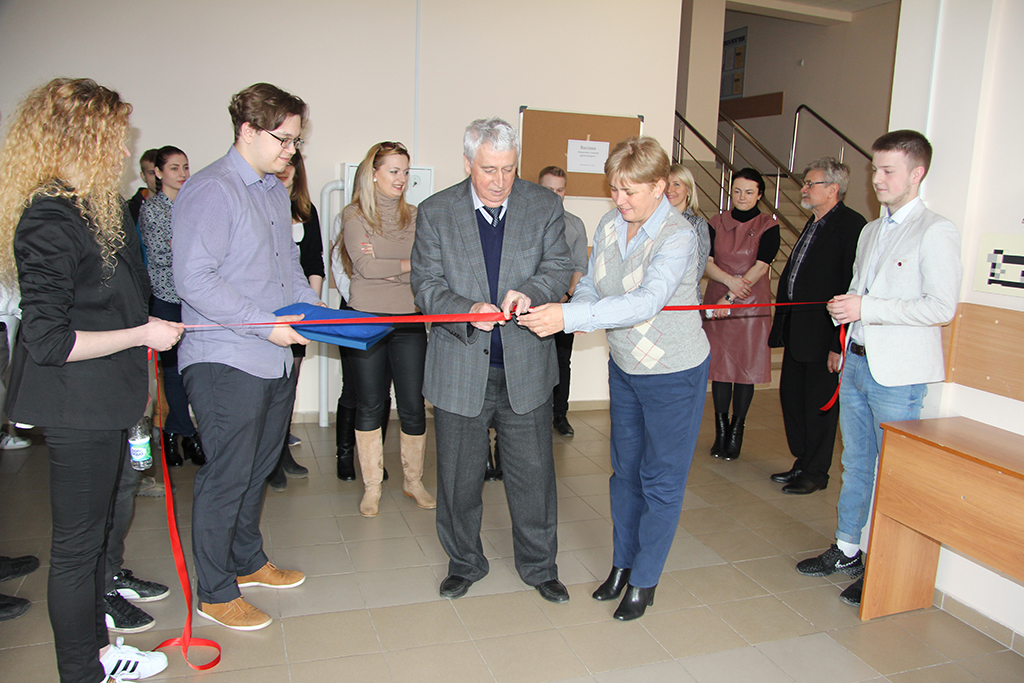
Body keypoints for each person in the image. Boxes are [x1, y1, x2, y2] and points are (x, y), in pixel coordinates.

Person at [0, 77, 176, 683]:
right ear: (79, 138)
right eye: (115, 139)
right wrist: (141, 333)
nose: (125, 151)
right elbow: (48, 341)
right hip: (77, 406)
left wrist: (144, 328)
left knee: (97, 537)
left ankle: (98, 651)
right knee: (77, 550)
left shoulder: (91, 208)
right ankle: (82, 669)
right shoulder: (48, 218)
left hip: (106, 399)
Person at [521, 137, 710, 621]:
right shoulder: (610, 224)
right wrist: (577, 306)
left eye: (629, 191)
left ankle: (645, 580)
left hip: (673, 373)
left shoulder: (678, 235)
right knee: (624, 474)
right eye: (614, 189)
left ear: (660, 187)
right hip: (626, 367)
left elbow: (647, 301)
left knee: (660, 480)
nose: (618, 200)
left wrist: (570, 318)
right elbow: (591, 281)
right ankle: (622, 565)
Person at [172, 82, 322, 631]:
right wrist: (267, 324)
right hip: (225, 358)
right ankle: (214, 593)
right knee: (227, 476)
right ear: (248, 131)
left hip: (272, 356)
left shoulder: (272, 192)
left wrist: (317, 311)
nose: (291, 151)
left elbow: (286, 272)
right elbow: (194, 279)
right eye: (284, 140)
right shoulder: (212, 189)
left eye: (296, 141)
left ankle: (247, 560)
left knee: (257, 468)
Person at [797, 130, 962, 607]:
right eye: (875, 169)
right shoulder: (871, 230)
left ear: (917, 174)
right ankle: (847, 548)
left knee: (894, 471)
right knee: (856, 462)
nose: (878, 179)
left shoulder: (936, 230)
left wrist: (867, 308)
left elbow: (941, 307)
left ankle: (883, 564)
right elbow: (859, 289)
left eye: (889, 170)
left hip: (898, 374)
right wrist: (845, 315)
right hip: (857, 361)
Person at [411, 117, 573, 603]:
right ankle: (464, 563)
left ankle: (540, 567)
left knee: (534, 478)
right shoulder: (436, 212)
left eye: (508, 168)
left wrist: (533, 292)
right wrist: (468, 310)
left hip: (526, 368)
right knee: (458, 480)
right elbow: (426, 287)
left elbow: (558, 267)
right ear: (467, 163)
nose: (500, 181)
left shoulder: (543, 205)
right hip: (460, 369)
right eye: (489, 169)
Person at [339, 141, 433, 515]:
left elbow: (428, 264)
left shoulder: (416, 216)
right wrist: (407, 265)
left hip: (409, 318)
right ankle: (372, 486)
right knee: (370, 404)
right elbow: (365, 267)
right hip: (366, 319)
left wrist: (390, 265)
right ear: (373, 173)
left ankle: (413, 481)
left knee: (412, 405)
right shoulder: (354, 214)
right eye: (394, 171)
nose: (401, 178)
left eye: (406, 172)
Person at [767, 157, 866, 495]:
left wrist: (838, 344)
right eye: (805, 183)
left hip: (825, 335)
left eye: (811, 183)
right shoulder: (814, 223)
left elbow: (850, 285)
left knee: (819, 407)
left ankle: (815, 473)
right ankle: (803, 461)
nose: (804, 189)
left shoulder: (851, 226)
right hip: (798, 330)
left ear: (833, 189)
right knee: (793, 399)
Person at [703, 168, 779, 460]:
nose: (742, 197)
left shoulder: (768, 225)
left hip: (750, 304)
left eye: (749, 192)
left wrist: (732, 295)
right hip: (718, 298)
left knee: (745, 369)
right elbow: (706, 261)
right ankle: (721, 431)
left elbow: (761, 265)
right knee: (721, 368)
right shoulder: (715, 222)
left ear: (759, 195)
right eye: (737, 191)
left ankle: (737, 431)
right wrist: (728, 283)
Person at [138, 145, 205, 468]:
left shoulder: (193, 203)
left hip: (194, 297)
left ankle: (175, 432)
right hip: (166, 297)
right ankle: (185, 434)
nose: (182, 174)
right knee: (172, 371)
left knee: (191, 367)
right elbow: (161, 255)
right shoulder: (153, 209)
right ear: (158, 173)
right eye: (174, 168)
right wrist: (184, 248)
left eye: (185, 167)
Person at [266, 149, 323, 491]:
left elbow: (314, 263)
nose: (286, 169)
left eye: (292, 164)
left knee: (289, 385)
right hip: (266, 314)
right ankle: (268, 459)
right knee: (268, 387)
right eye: (282, 162)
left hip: (298, 309)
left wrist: (312, 309)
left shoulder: (306, 210)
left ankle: (281, 450)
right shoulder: (261, 204)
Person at [330, 215, 392, 482]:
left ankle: (374, 458)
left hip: (389, 310)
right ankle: (344, 455)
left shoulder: (396, 220)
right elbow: (340, 270)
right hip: (355, 311)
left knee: (383, 389)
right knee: (353, 388)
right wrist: (363, 299)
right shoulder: (347, 217)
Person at [537, 166, 588, 439]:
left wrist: (566, 295)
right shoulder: (526, 220)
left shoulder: (575, 224)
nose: (555, 195)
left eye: (560, 190)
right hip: (533, 306)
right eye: (549, 190)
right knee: (532, 362)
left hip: (565, 306)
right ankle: (533, 415)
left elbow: (580, 266)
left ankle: (560, 415)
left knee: (561, 362)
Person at [665, 163, 711, 300]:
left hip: (684, 300)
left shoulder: (698, 224)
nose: (670, 190)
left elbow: (697, 271)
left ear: (689, 190)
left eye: (676, 184)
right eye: (667, 184)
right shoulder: (654, 222)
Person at [127, 148, 158, 226]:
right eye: (152, 173)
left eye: (161, 172)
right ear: (143, 176)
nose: (158, 178)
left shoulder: (181, 205)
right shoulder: (129, 210)